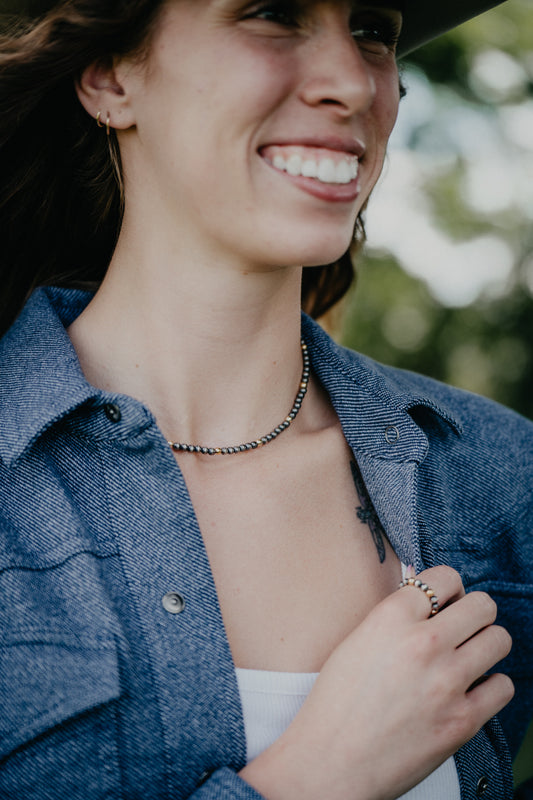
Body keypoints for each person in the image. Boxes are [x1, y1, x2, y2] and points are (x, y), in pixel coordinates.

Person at [0, 1, 531, 798]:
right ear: (110, 77)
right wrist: (317, 779)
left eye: (372, 30)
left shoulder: (503, 478)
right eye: (273, 13)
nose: (353, 81)